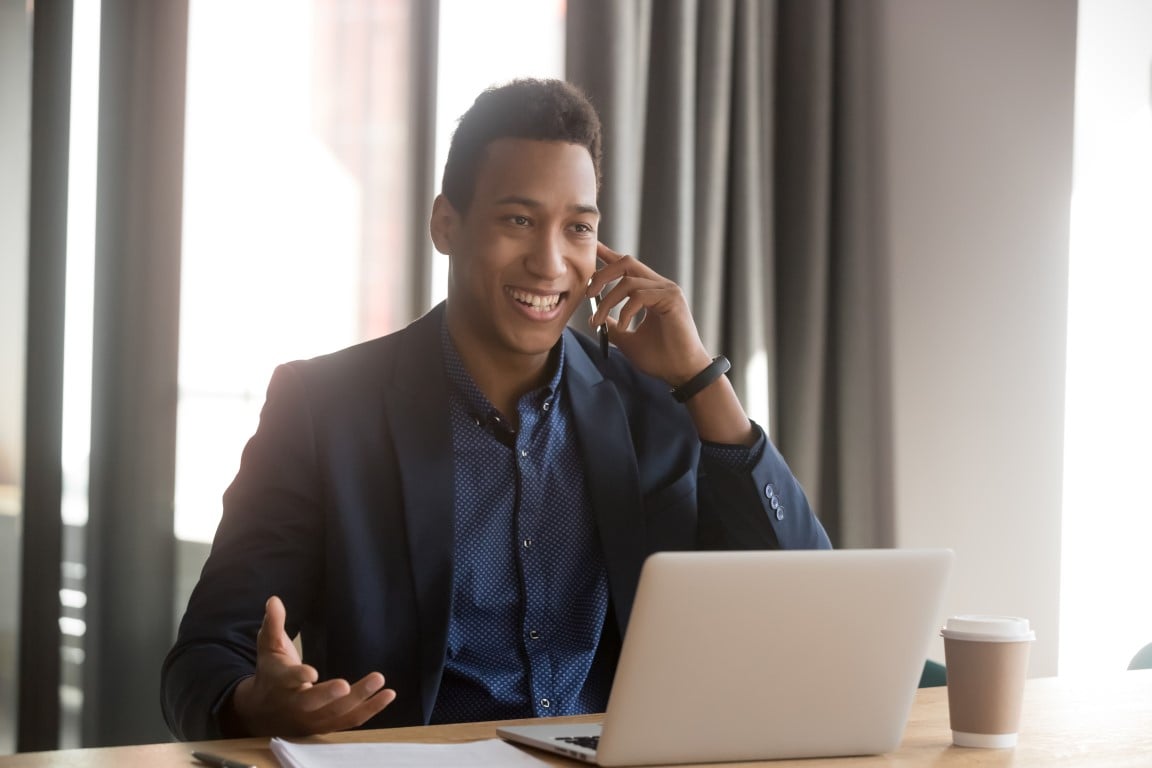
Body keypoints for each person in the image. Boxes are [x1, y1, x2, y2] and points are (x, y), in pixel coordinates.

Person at [161, 78, 830, 741]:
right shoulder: (325, 411)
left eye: (577, 229)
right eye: (519, 220)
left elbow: (809, 611)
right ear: (445, 224)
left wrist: (700, 379)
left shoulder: (655, 409)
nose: (549, 261)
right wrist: (254, 703)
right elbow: (203, 659)